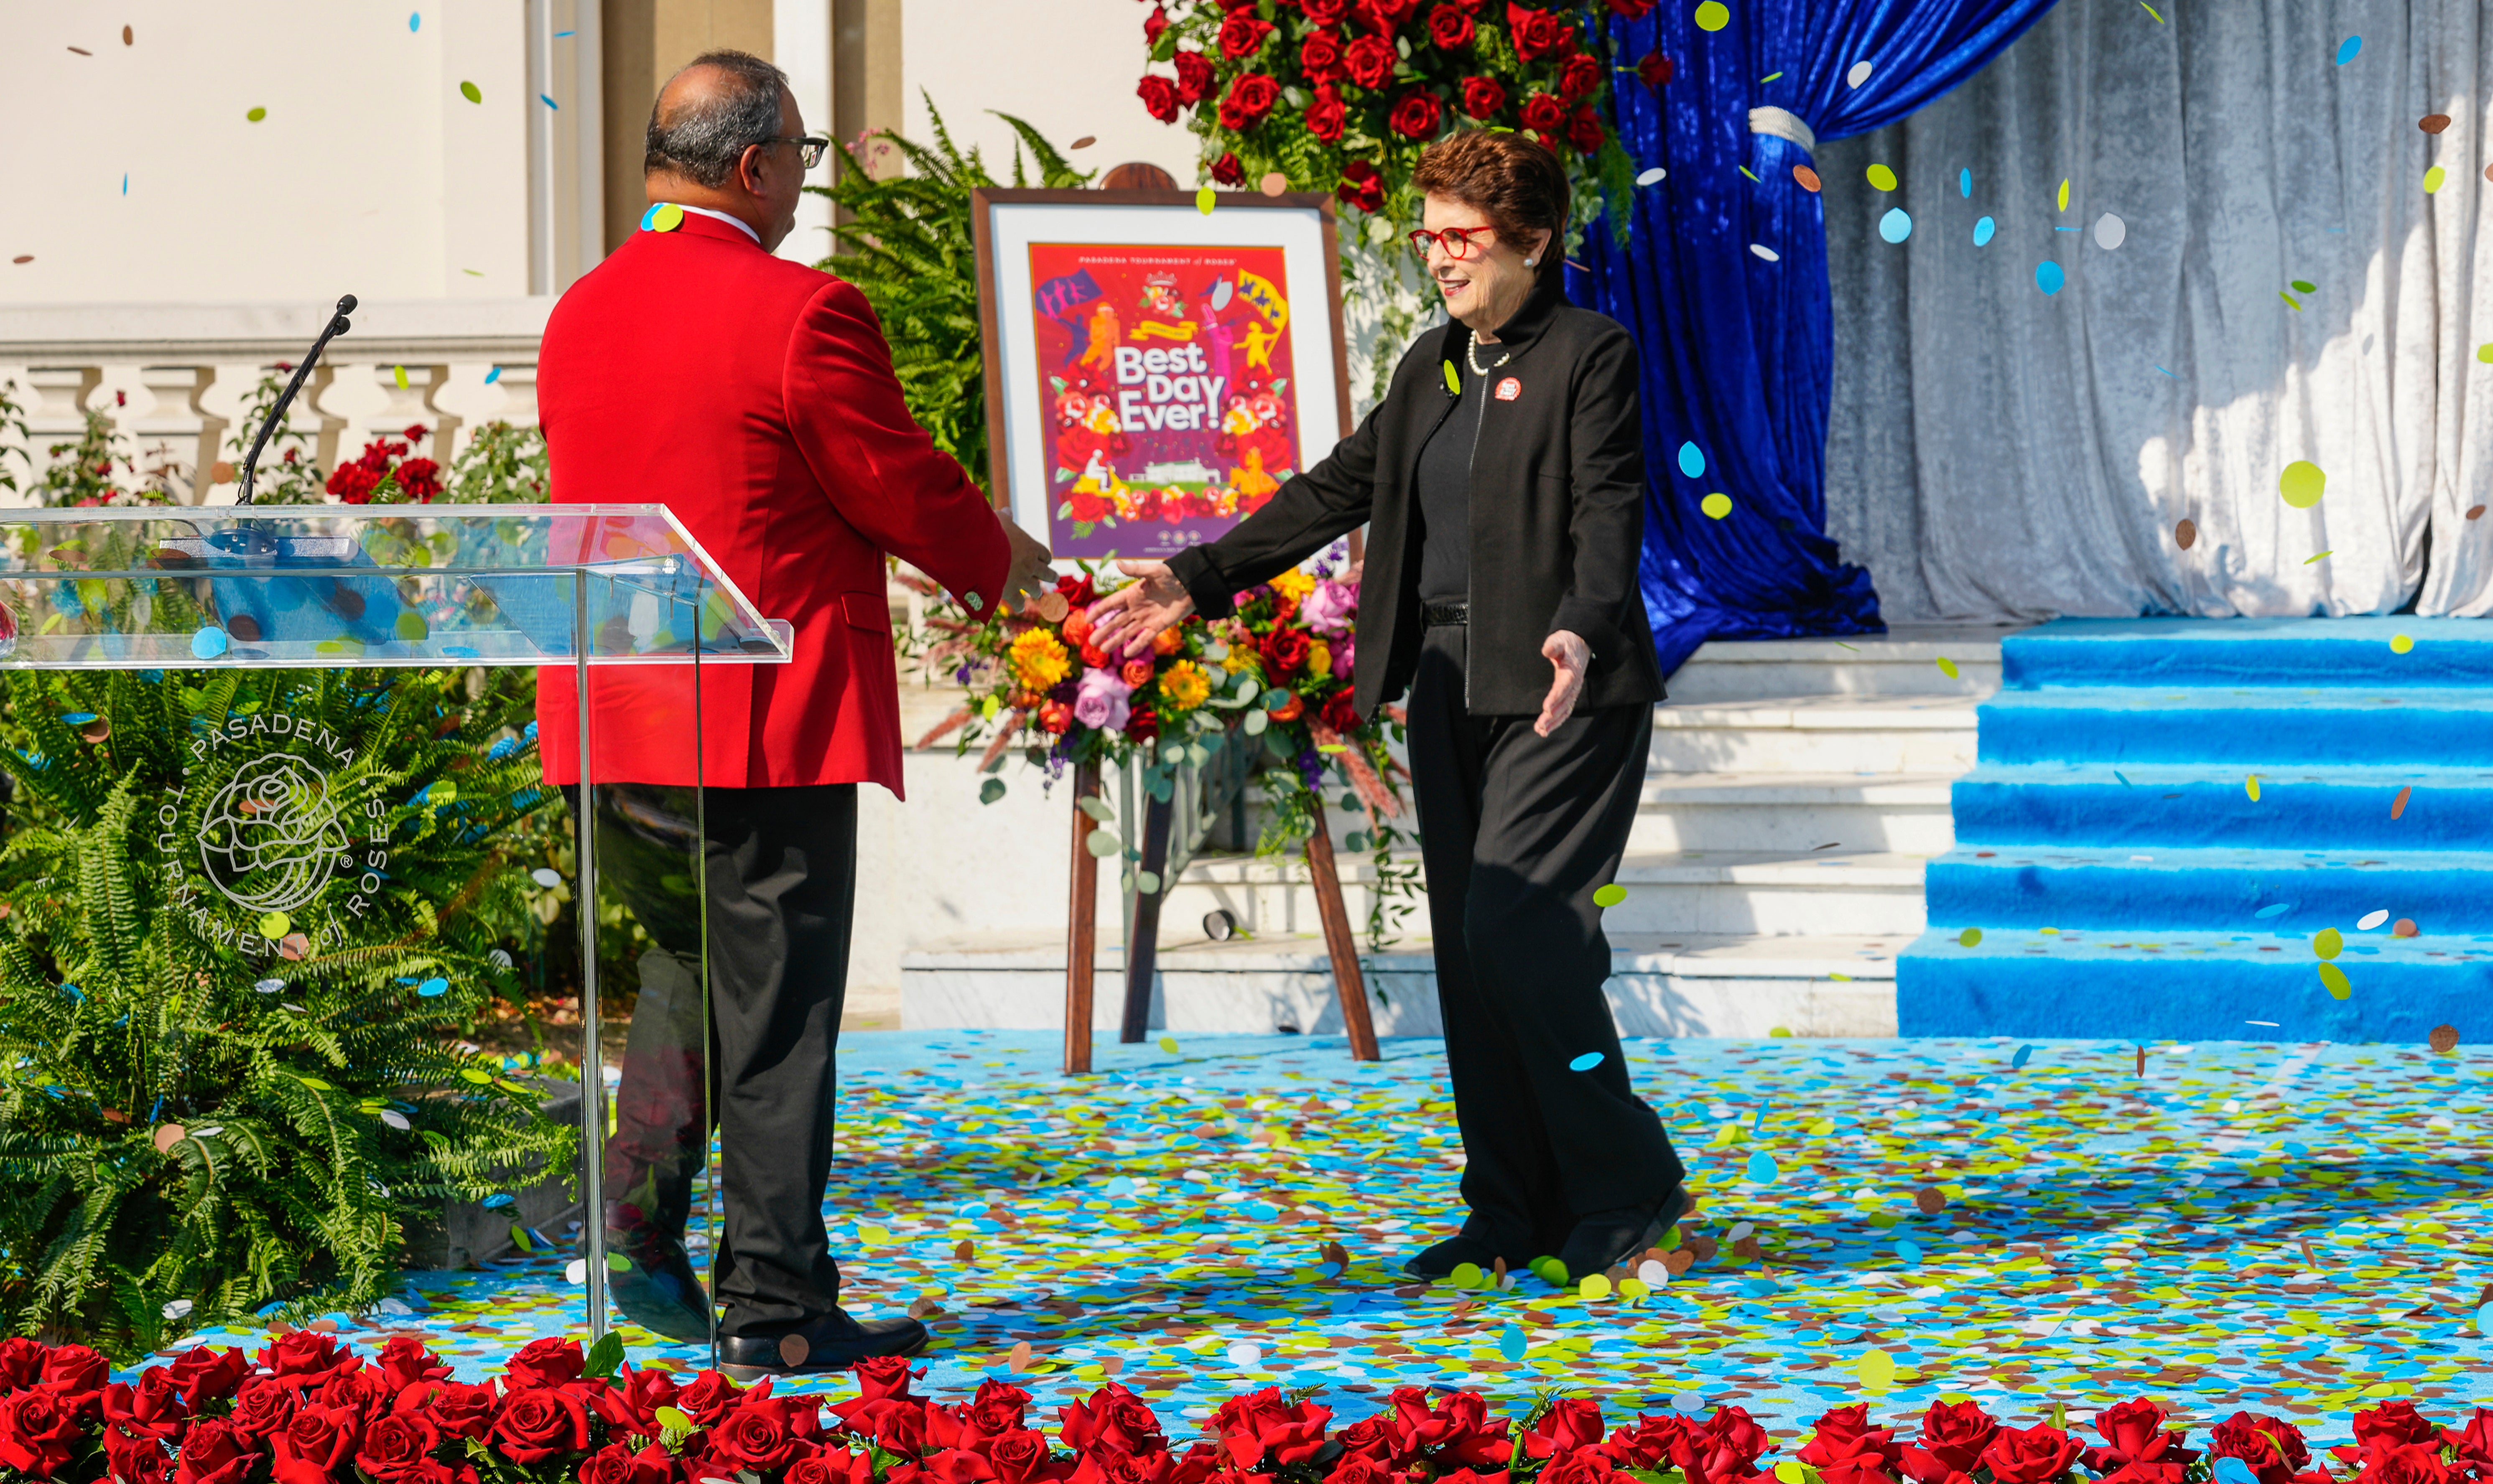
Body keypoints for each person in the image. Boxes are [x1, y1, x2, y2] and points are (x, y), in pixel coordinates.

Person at [1091, 130, 1688, 1282]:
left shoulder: (1590, 352)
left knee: (1521, 935)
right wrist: (1196, 577)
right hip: (1451, 686)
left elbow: (1612, 506)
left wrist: (1583, 622)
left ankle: (1627, 1181)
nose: (1441, 259)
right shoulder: (1432, 364)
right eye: (1431, 237)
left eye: (1463, 238)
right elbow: (1337, 489)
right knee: (1470, 956)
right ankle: (1512, 1206)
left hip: (1565, 691)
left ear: (1535, 238)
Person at [535, 50, 1053, 1374]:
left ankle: (632, 1227)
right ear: (755, 167)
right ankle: (773, 1302)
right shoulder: (799, 310)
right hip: (759, 719)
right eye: (805, 164)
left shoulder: (580, 310)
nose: (801, 190)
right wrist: (1013, 570)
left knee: (682, 970)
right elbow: (892, 480)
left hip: (618, 714)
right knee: (778, 1014)